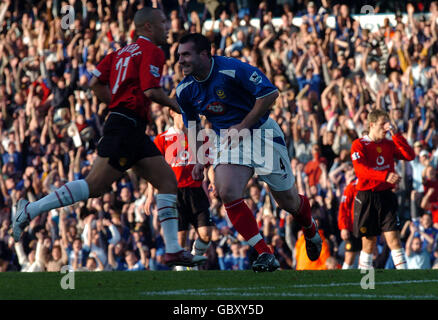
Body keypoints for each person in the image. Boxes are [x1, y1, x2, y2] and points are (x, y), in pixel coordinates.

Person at [12, 7, 205, 268]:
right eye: (163, 22)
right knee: (94, 186)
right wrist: (177, 106)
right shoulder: (153, 51)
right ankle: (29, 210)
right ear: (148, 27)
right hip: (126, 126)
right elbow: (151, 91)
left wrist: (116, 102)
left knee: (167, 181)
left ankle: (173, 250)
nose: (168, 27)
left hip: (129, 125)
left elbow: (94, 83)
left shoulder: (120, 52)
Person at [175, 33, 322, 272]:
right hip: (230, 141)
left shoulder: (231, 69)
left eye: (186, 55)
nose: (180, 60)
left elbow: (269, 94)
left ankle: (310, 228)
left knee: (288, 202)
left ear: (204, 54)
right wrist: (199, 158)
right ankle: (265, 252)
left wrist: (243, 126)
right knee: (226, 191)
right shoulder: (185, 90)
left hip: (262, 134)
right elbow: (192, 125)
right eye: (179, 55)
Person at [350, 109, 415, 269]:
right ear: (371, 125)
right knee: (369, 243)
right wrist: (384, 176)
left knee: (394, 239)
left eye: (387, 124)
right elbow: (360, 171)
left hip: (386, 196)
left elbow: (409, 155)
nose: (386, 128)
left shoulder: (388, 143)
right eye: (382, 124)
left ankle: (405, 281)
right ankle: (366, 284)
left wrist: (396, 134)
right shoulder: (359, 144)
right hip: (367, 196)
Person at [150, 109, 215, 270]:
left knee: (206, 235)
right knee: (180, 240)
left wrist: (214, 183)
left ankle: (194, 255)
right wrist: (150, 196)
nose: (186, 115)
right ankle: (181, 274)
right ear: (172, 113)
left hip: (196, 191)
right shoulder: (162, 139)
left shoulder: (199, 138)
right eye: (181, 112)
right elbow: (154, 171)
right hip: (174, 194)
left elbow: (209, 165)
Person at [338, 176, 361, 269]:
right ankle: (344, 279)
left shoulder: (373, 185)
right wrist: (344, 227)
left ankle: (366, 281)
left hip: (368, 226)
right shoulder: (352, 187)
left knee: (366, 254)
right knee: (350, 256)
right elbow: (343, 208)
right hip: (353, 228)